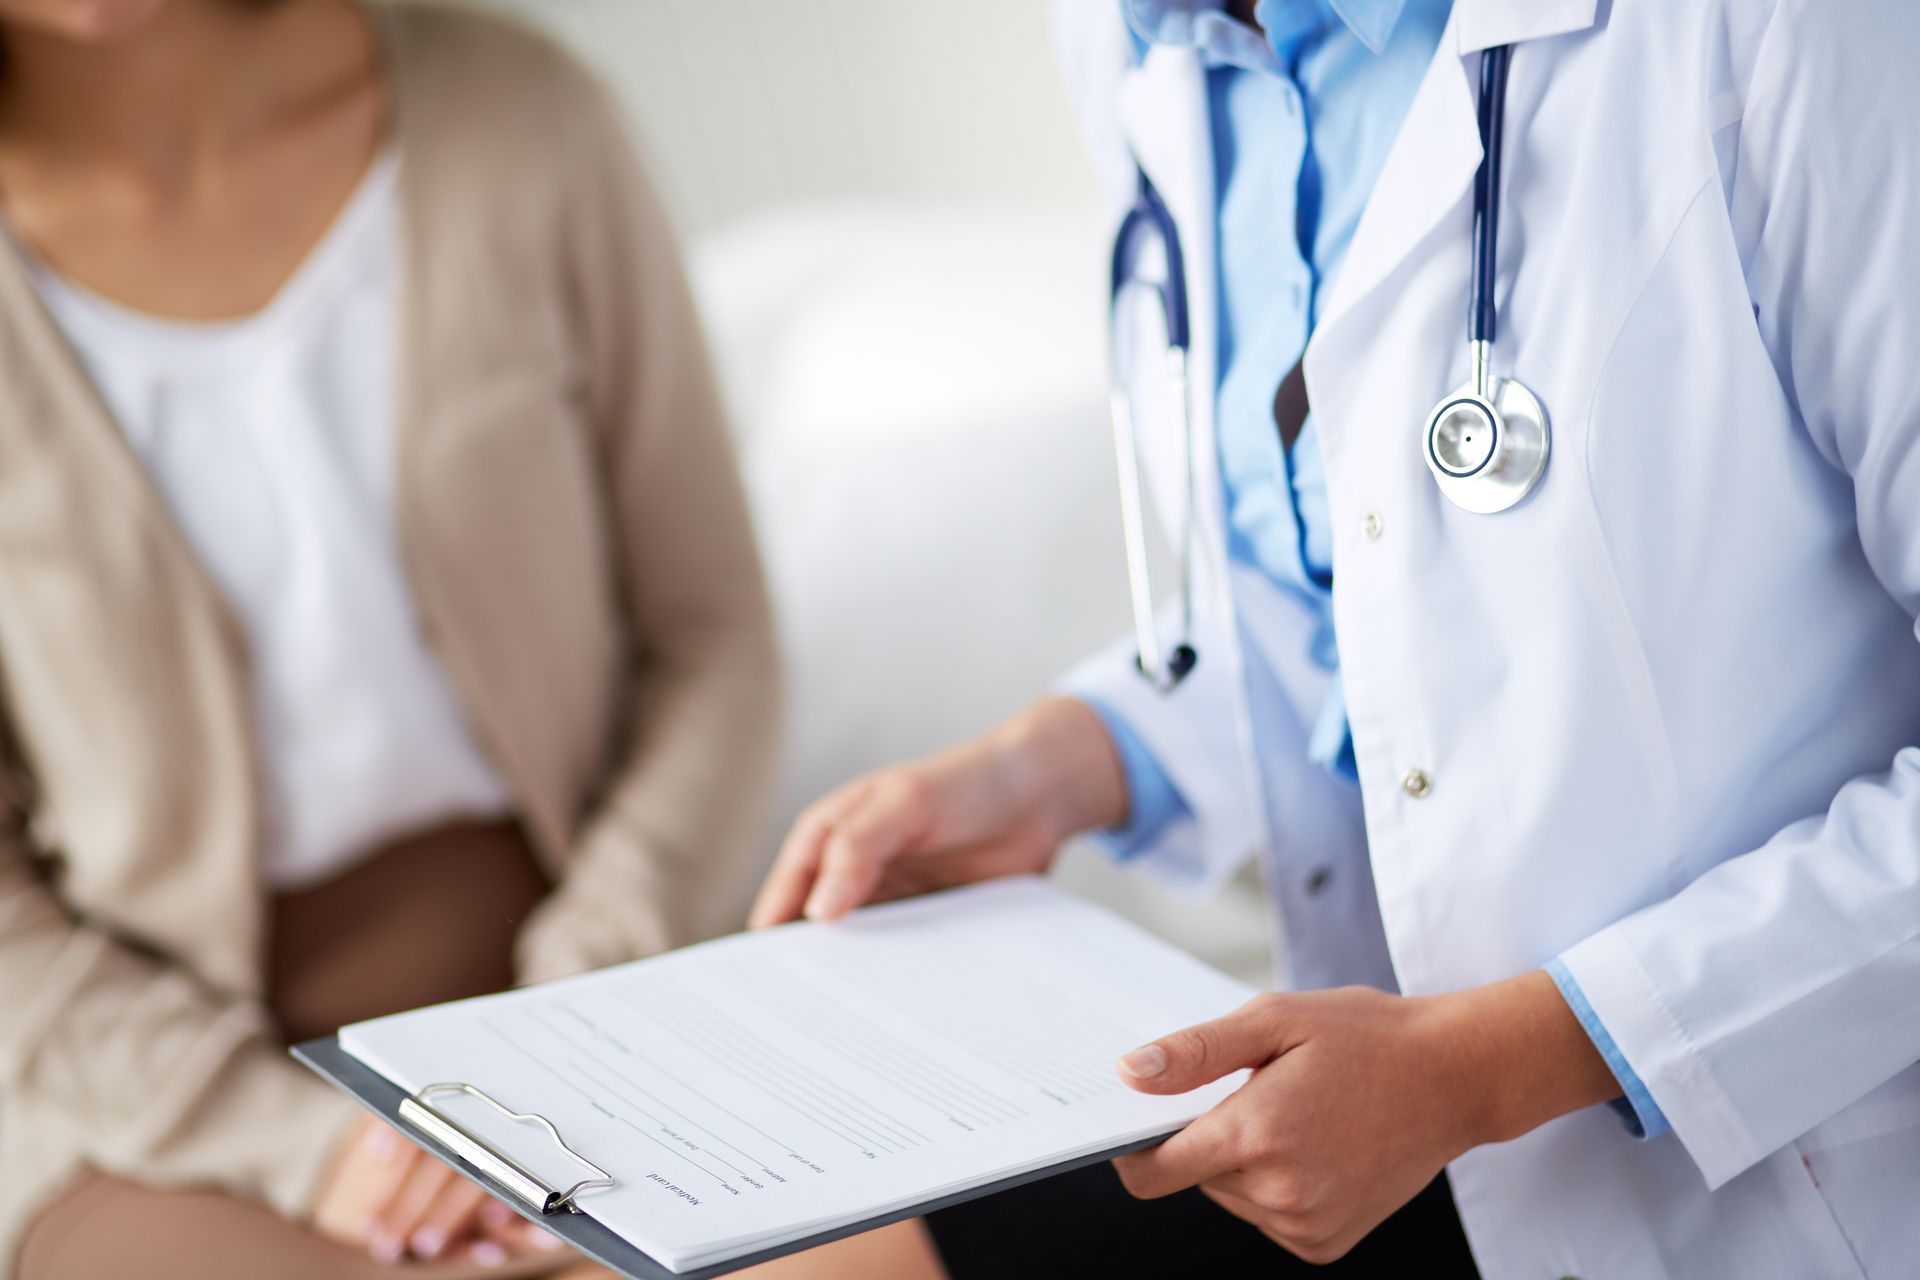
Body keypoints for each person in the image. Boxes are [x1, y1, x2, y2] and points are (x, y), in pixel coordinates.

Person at [750, 0, 1920, 1277]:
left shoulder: (1783, 29)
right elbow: (1361, 590)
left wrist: (1491, 1065)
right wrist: (1068, 759)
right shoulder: (1135, 40)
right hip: (1376, 1129)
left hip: (1784, 1174)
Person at [0, 1, 780, 1276]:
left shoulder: (524, 119)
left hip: (600, 979)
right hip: (149, 1097)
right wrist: (313, 1148)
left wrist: (581, 1016)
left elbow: (714, 637)